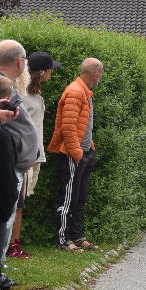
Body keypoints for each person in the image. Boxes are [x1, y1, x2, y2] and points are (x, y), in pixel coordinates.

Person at [0, 41, 39, 284]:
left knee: (2, 230)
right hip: (4, 171)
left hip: (12, 167)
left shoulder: (1, 82)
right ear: (20, 62)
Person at [48, 58, 104, 251]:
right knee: (69, 197)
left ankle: (77, 235)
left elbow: (84, 126)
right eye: (101, 73)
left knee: (80, 196)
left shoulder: (85, 92)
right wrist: (77, 153)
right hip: (73, 154)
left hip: (85, 152)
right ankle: (64, 239)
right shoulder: (74, 92)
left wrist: (88, 149)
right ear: (94, 73)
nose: (101, 78)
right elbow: (68, 127)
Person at [16, 52, 61, 258]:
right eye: (50, 69)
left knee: (21, 201)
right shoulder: (23, 95)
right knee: (17, 202)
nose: (52, 72)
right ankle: (12, 246)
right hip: (23, 155)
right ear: (42, 71)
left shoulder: (36, 95)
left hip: (33, 154)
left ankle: (14, 242)